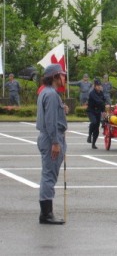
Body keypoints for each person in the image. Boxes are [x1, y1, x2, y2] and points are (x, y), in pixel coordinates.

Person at [36, 64, 68, 225]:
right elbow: (50, 121)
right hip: (51, 139)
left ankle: (46, 212)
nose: (64, 78)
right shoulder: (52, 95)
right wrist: (55, 142)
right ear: (55, 77)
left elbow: (52, 114)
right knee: (49, 176)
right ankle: (46, 214)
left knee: (48, 174)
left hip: (47, 137)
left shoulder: (46, 93)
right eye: (62, 75)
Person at [87, 78, 106, 149]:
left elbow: (103, 102)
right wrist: (104, 103)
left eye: (99, 85)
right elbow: (99, 101)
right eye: (97, 85)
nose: (98, 87)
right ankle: (89, 135)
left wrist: (103, 111)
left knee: (97, 128)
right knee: (94, 122)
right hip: (91, 111)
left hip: (98, 112)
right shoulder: (92, 93)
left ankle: (93, 143)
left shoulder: (101, 93)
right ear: (94, 86)